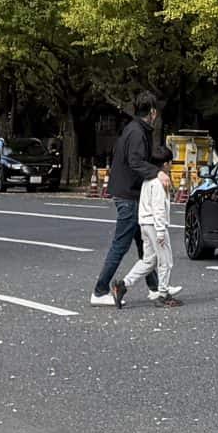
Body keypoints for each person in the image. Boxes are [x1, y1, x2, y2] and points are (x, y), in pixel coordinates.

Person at [90, 94, 164, 307]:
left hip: (129, 193)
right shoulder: (138, 132)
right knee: (121, 246)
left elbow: (137, 158)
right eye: (155, 111)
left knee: (144, 244)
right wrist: (157, 173)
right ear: (152, 112)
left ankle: (155, 288)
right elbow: (135, 161)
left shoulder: (134, 129)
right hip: (129, 195)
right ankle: (100, 290)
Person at [119, 122, 179, 307]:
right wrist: (161, 231)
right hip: (155, 224)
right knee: (165, 260)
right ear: (166, 164)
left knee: (148, 260)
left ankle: (123, 284)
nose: (171, 167)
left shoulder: (147, 179)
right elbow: (159, 208)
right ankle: (163, 294)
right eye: (170, 163)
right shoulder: (160, 182)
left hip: (144, 223)